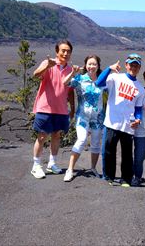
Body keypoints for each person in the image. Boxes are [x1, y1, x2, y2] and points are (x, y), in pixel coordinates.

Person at [30, 40, 75, 179]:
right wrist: (47, 67)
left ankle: (52, 163)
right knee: (42, 136)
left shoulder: (70, 70)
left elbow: (70, 91)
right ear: (57, 52)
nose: (65, 53)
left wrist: (72, 108)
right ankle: (36, 165)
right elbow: (35, 75)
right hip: (45, 107)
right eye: (63, 50)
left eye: (68, 51)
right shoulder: (48, 63)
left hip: (61, 109)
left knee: (56, 136)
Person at [98, 53, 145, 187]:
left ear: (139, 67)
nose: (133, 67)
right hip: (112, 122)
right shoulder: (115, 78)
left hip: (128, 125)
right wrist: (109, 69)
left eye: (136, 65)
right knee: (109, 151)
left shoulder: (140, 88)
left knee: (127, 154)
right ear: (126, 65)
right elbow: (99, 83)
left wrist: (138, 119)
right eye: (131, 65)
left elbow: (138, 108)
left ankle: (126, 179)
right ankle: (109, 176)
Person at [62, 55, 108, 182]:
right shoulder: (80, 79)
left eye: (94, 64)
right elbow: (64, 83)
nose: (92, 66)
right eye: (89, 64)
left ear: (98, 66)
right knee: (81, 140)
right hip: (83, 117)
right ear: (85, 65)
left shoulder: (103, 81)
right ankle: (70, 169)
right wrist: (72, 72)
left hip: (98, 118)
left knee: (95, 144)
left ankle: (93, 168)